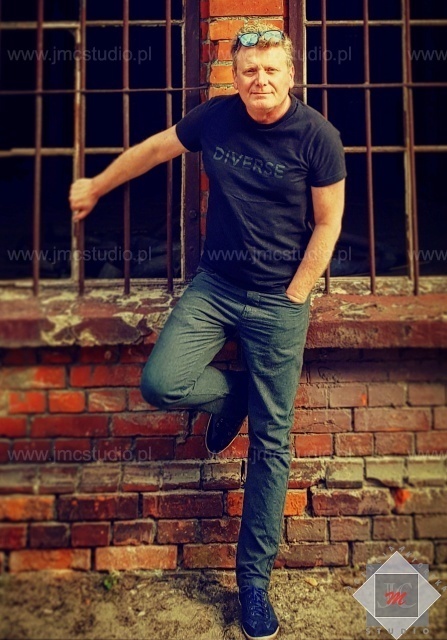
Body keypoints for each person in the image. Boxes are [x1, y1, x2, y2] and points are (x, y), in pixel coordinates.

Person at [69, 20, 346, 640]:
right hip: (215, 287)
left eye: (270, 69)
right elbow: (153, 150)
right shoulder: (215, 118)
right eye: (249, 71)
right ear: (235, 76)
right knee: (162, 382)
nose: (260, 80)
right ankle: (234, 394)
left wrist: (296, 293)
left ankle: (253, 585)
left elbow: (329, 223)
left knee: (271, 445)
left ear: (290, 73)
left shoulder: (318, 137)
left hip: (279, 302)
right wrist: (97, 185)